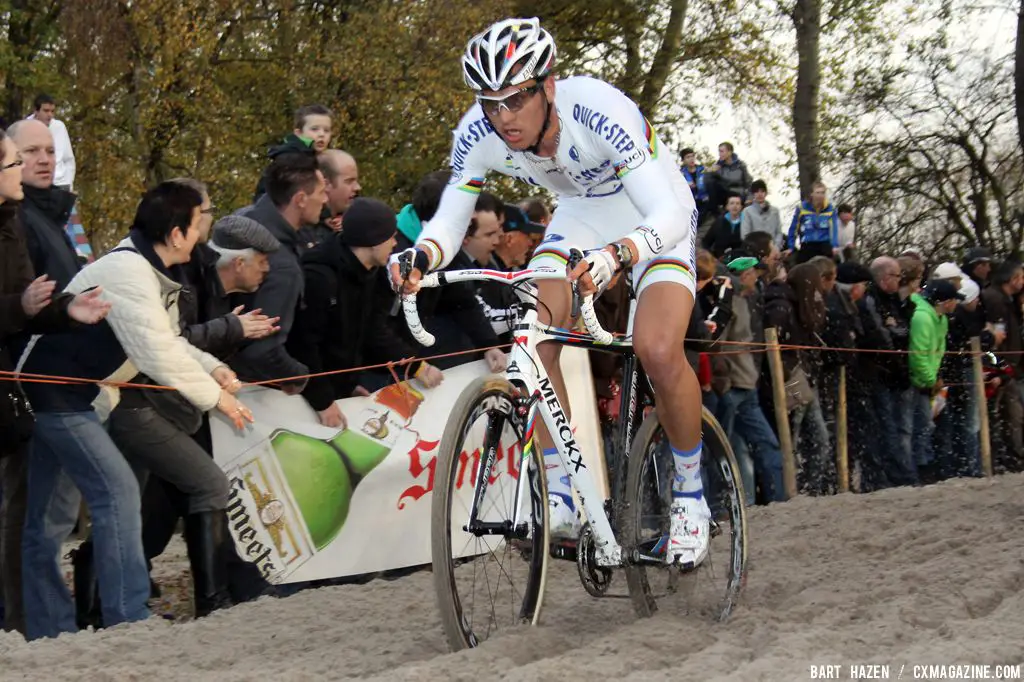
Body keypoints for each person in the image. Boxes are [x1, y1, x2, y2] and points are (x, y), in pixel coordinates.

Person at [390, 18, 707, 566]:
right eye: (490, 103)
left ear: (548, 86)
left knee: (656, 348)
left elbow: (668, 211)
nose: (503, 118)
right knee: (532, 339)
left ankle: (691, 496)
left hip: (652, 214)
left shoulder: (600, 109)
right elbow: (448, 222)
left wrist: (620, 255)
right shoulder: (477, 131)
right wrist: (419, 256)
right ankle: (562, 487)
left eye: (515, 100)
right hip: (582, 214)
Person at [16, 182, 252, 640]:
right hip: (57, 397)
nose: (207, 224)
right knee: (117, 491)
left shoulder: (146, 269)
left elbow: (171, 342)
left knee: (48, 522)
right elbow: (157, 354)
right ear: (178, 233)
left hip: (66, 398)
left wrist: (217, 370)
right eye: (202, 216)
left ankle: (53, 633)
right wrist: (217, 397)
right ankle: (127, 617)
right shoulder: (129, 272)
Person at [0, 126, 109, 635]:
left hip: (51, 381)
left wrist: (70, 309)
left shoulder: (45, 216)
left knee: (40, 513)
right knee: (29, 513)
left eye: (49, 151)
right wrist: (27, 308)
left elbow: (38, 300)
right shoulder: (20, 218)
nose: (42, 161)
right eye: (27, 154)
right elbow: (21, 302)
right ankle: (26, 621)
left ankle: (38, 620)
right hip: (30, 385)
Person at [26, 94, 75, 191]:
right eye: (46, 111)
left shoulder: (59, 127)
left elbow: (68, 159)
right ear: (36, 111)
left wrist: (69, 183)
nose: (50, 115)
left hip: (60, 184)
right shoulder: (24, 128)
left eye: (52, 111)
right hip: (35, 185)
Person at [787, 181, 839, 262]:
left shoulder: (830, 209)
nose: (820, 195)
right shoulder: (802, 208)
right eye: (818, 193)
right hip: (808, 243)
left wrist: (834, 245)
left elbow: (834, 229)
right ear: (812, 194)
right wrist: (791, 246)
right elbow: (794, 228)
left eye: (823, 193)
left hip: (824, 244)